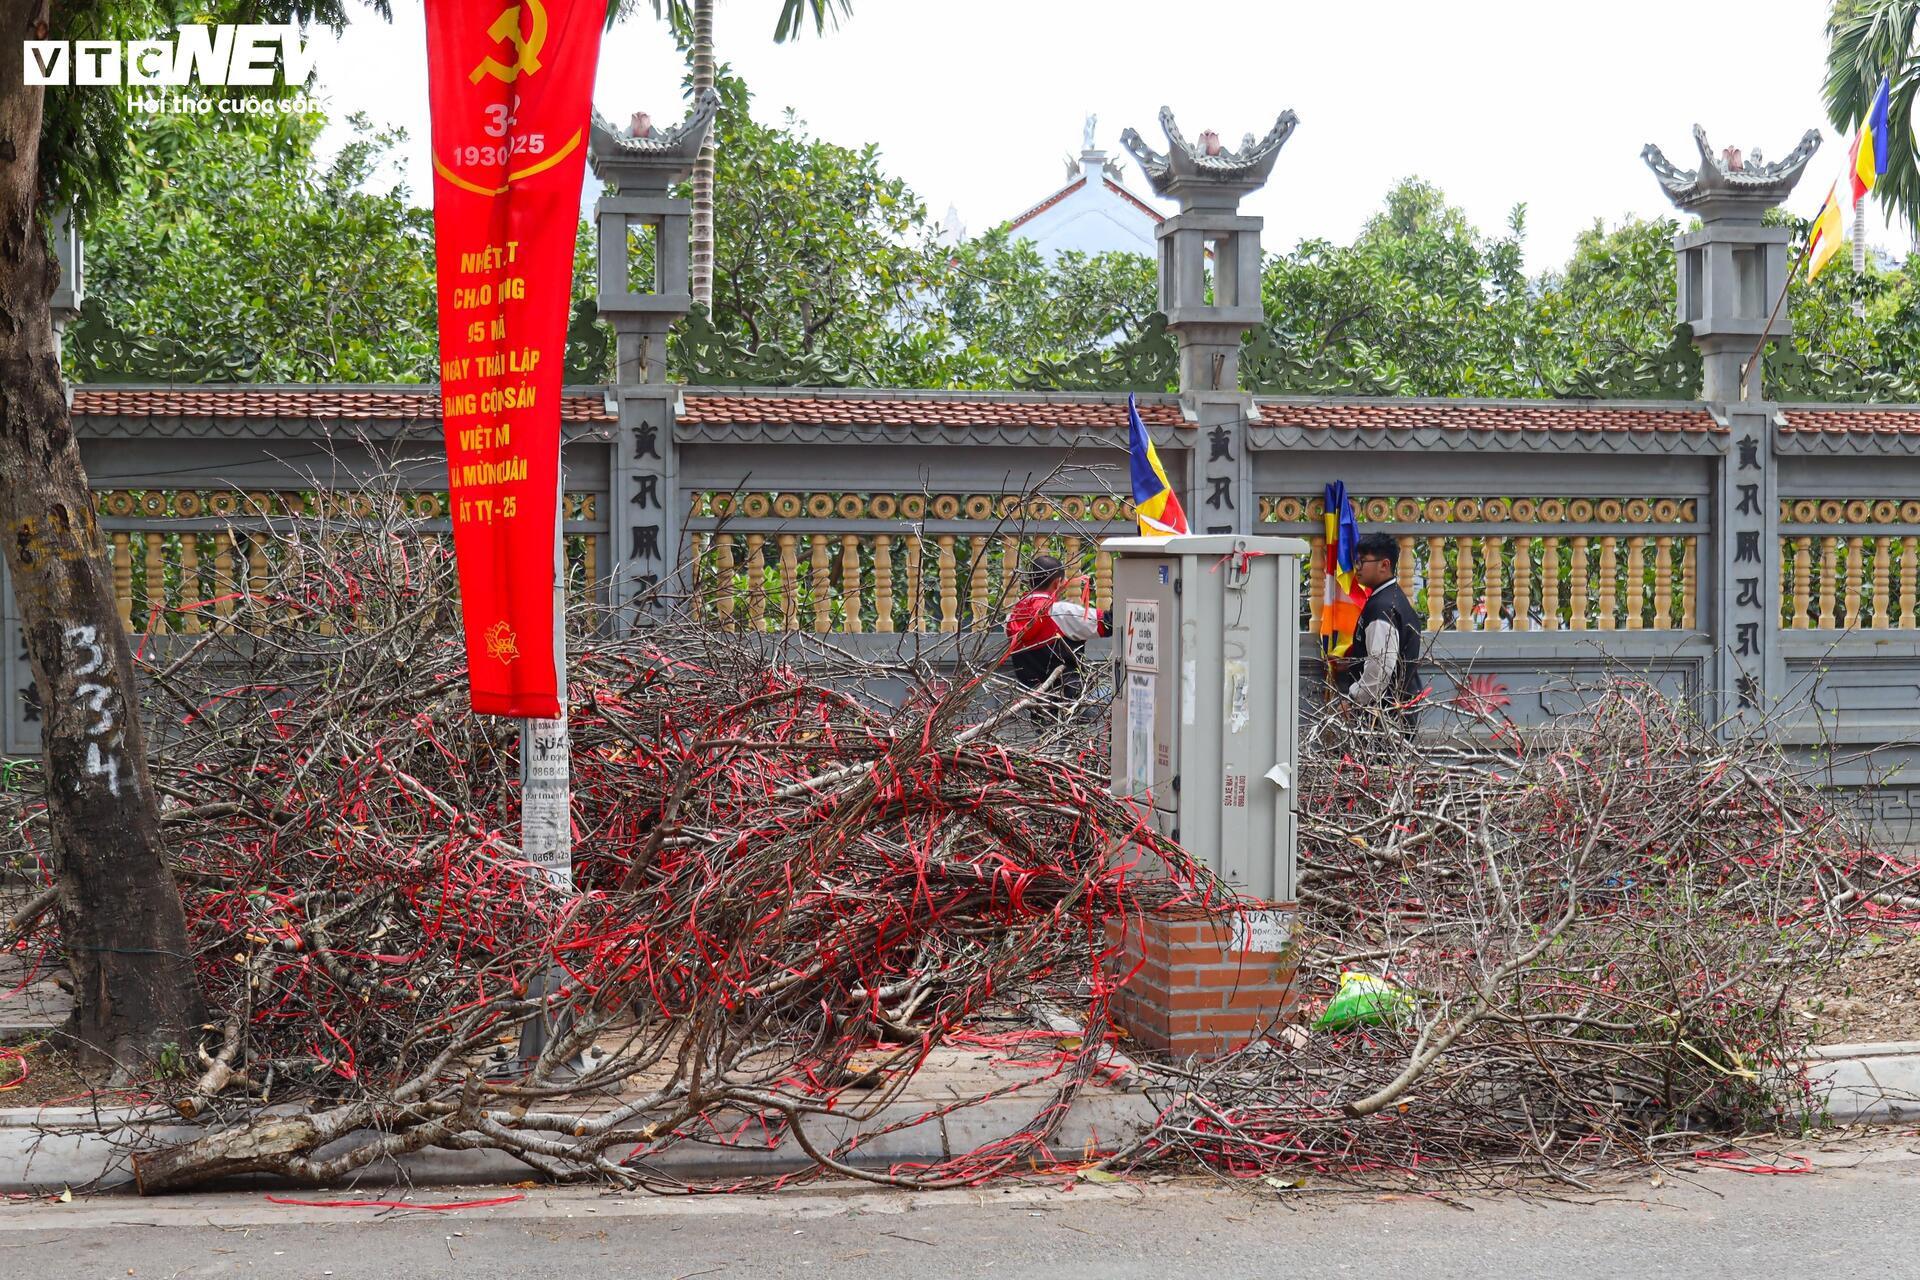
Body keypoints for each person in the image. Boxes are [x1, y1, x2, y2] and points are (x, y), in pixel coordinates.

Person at [1335, 532, 1428, 724]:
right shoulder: (1391, 597)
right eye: (1356, 561)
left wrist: (1353, 700)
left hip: (1384, 717)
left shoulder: (1382, 607)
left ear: (1384, 565)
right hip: (1396, 711)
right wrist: (1353, 663)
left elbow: (1380, 667)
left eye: (1362, 561)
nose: (1357, 567)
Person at [1004, 555, 1111, 719]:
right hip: (1073, 704)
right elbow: (1108, 624)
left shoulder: (1012, 618)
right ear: (1057, 583)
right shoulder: (1061, 612)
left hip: (1037, 706)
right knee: (1113, 693)